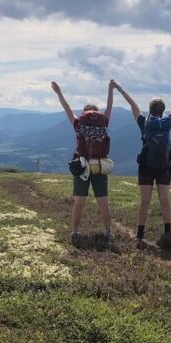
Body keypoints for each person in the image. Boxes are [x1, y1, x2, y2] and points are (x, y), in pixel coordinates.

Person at [114, 77, 171, 242]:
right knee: (165, 199)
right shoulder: (167, 122)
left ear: (150, 110)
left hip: (146, 166)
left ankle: (140, 233)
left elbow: (132, 105)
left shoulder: (144, 123)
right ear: (163, 111)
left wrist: (119, 88)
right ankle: (168, 232)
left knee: (145, 201)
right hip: (164, 167)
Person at [51, 80, 114, 241]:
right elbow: (110, 106)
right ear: (97, 114)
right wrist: (110, 89)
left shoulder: (78, 124)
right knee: (103, 203)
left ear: (84, 113)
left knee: (79, 202)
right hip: (100, 166)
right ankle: (108, 231)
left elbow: (67, 109)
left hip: (82, 166)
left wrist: (59, 92)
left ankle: (75, 232)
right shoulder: (104, 123)